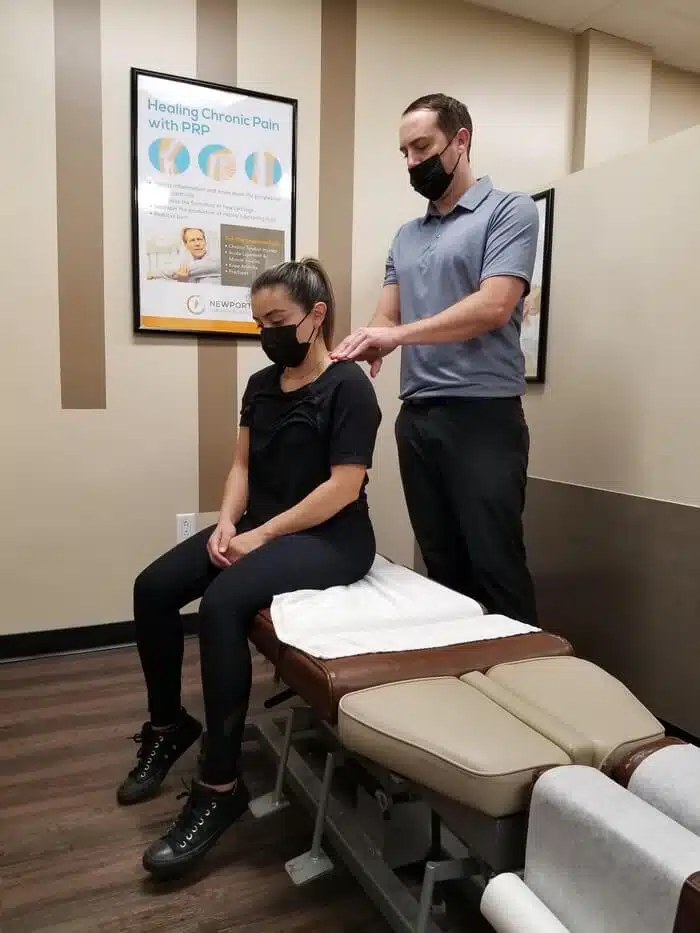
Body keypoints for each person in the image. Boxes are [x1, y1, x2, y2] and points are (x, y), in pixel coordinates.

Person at [119, 257, 381, 879]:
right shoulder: (262, 384)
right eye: (257, 320)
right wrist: (229, 522)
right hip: (259, 525)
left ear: (316, 318)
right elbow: (241, 466)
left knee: (223, 603)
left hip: (332, 537)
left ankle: (219, 787)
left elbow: (344, 487)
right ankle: (168, 724)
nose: (265, 331)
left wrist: (260, 536)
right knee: (153, 588)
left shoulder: (349, 387)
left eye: (277, 319)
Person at [332, 93, 539, 625]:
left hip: (483, 417)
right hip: (418, 420)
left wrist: (398, 336)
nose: (411, 162)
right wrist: (363, 342)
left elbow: (493, 306)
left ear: (460, 140)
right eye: (403, 151)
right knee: (442, 568)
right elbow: (386, 316)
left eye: (421, 146)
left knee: (495, 565)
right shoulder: (405, 235)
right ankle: (459, 689)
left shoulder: (509, 211)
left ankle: (526, 691)